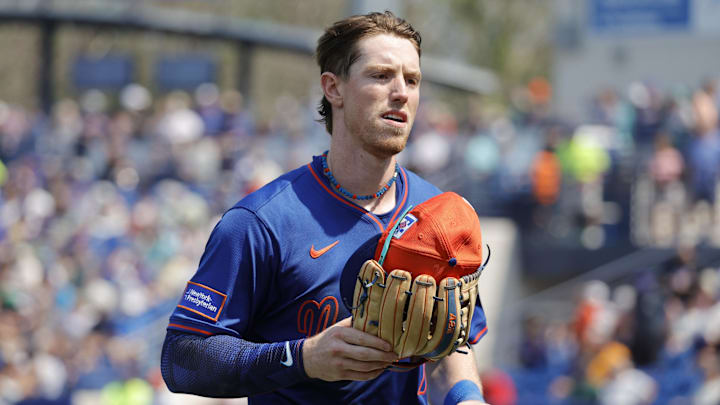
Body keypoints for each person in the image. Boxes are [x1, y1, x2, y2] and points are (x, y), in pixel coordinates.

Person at [160, 11, 489, 405]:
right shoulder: (262, 222)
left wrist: (467, 398)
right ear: (333, 89)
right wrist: (303, 358)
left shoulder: (442, 215)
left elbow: (451, 344)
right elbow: (182, 359)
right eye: (382, 75)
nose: (401, 92)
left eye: (412, 79)